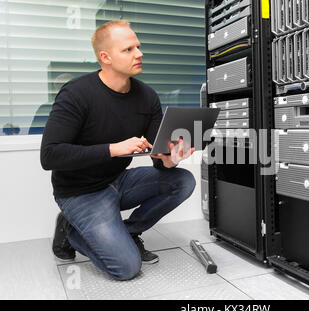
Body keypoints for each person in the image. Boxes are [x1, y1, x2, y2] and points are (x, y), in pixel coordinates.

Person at [40, 20, 196, 281]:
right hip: (79, 193)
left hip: (117, 181)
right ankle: (71, 231)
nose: (139, 53)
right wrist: (113, 149)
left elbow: (159, 159)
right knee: (126, 268)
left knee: (182, 181)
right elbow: (50, 155)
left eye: (138, 46)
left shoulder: (147, 97)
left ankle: (129, 232)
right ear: (106, 57)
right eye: (128, 49)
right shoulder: (76, 93)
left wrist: (170, 160)